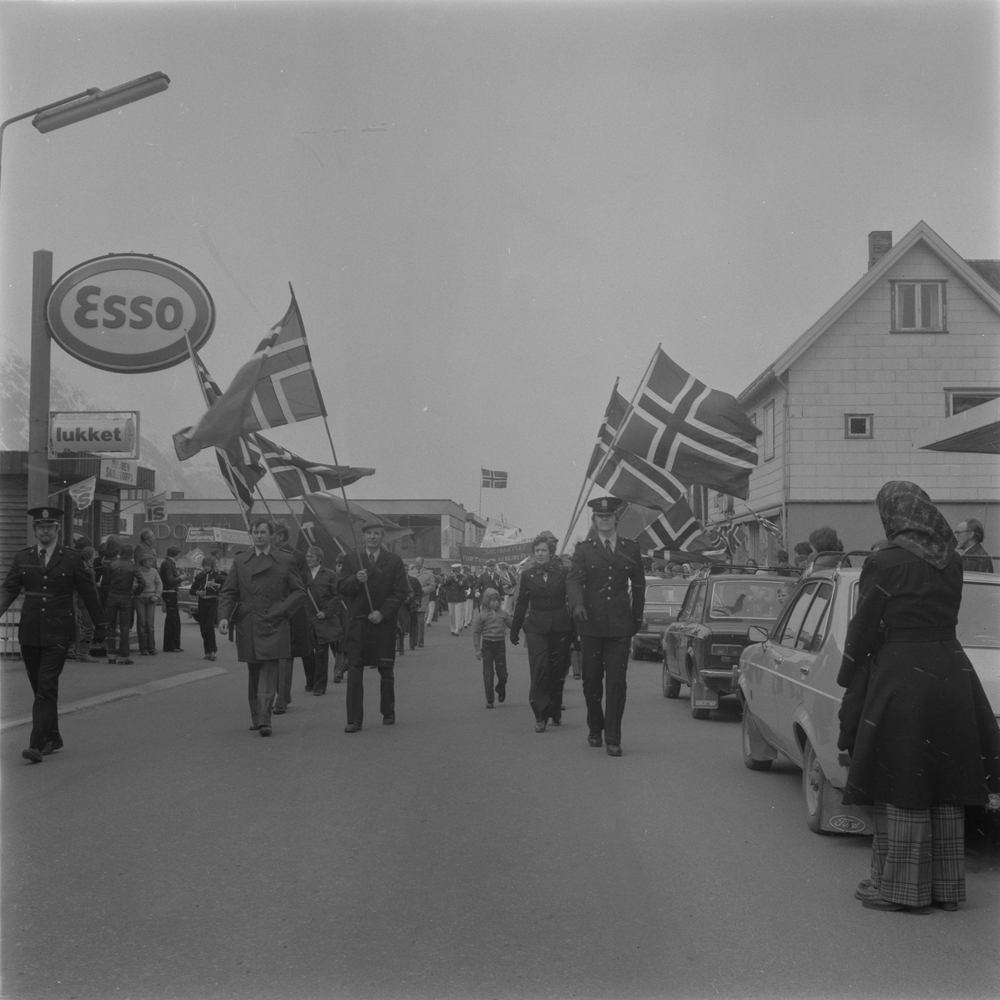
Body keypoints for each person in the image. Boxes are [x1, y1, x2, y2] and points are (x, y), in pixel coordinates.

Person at [837, 481, 1000, 913]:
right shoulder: (952, 561)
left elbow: (864, 626)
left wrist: (849, 672)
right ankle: (946, 889)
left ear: (892, 514)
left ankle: (899, 890)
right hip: (950, 669)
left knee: (902, 774)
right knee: (943, 777)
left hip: (902, 671)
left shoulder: (884, 561)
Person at [0, 507, 106, 763]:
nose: (45, 531)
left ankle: (36, 745)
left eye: (50, 527)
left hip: (59, 632)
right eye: (40, 527)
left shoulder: (72, 558)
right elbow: (8, 590)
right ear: (35, 530)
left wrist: (102, 625)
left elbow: (89, 593)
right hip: (30, 632)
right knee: (41, 689)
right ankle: (54, 737)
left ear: (57, 530)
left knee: (46, 686)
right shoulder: (23, 557)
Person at [567, 496, 645, 757]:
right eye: (600, 517)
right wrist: (577, 605)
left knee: (616, 684)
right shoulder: (584, 550)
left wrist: (636, 618)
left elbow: (640, 587)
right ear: (594, 520)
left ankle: (613, 737)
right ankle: (594, 726)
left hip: (620, 626)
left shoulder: (631, 549)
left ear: (615, 519)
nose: (604, 520)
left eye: (609, 516)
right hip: (591, 625)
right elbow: (574, 581)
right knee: (591, 682)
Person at [218, 519, 305, 737]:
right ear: (251, 535)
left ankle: (265, 719)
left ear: (272, 535)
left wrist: (280, 610)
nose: (259, 536)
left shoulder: (285, 559)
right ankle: (256, 717)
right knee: (254, 671)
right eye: (255, 532)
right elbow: (228, 592)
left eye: (263, 532)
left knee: (269, 669)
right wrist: (223, 617)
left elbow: (298, 592)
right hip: (248, 623)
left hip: (274, 622)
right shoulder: (241, 561)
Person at [337, 519, 409, 732]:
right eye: (369, 533)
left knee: (386, 671)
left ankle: (388, 711)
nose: (373, 537)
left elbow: (401, 592)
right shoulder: (352, 559)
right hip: (358, 624)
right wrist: (355, 580)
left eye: (377, 533)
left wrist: (382, 612)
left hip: (382, 624)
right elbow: (341, 587)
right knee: (355, 671)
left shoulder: (394, 560)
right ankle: (354, 719)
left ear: (382, 537)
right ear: (363, 537)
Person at [510, 534, 572, 733]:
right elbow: (521, 604)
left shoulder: (563, 572)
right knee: (539, 669)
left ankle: (555, 708)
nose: (540, 554)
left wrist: (577, 631)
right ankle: (540, 715)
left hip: (560, 627)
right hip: (536, 628)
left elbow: (572, 599)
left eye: (543, 550)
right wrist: (515, 629)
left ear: (551, 552)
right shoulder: (528, 575)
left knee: (557, 670)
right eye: (537, 551)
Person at [271, 522, 310, 714]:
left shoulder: (297, 557)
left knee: (285, 657)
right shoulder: (263, 555)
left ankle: (282, 699)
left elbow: (302, 587)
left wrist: (283, 606)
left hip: (289, 614)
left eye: (268, 533)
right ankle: (281, 694)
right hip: (267, 613)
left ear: (278, 536)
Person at [301, 546, 341, 695]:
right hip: (306, 619)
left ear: (319, 558)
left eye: (311, 556)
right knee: (306, 653)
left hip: (322, 620)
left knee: (321, 654)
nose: (308, 559)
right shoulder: (302, 575)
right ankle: (310, 681)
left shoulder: (330, 575)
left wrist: (326, 612)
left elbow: (337, 596)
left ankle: (320, 685)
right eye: (307, 556)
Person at [105, 543, 145, 664]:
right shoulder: (133, 566)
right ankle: (123, 656)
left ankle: (111, 655)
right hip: (126, 597)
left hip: (112, 596)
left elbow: (105, 583)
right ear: (131, 554)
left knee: (111, 626)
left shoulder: (112, 564)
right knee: (124, 627)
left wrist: (109, 592)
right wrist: (135, 593)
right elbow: (142, 583)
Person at [473, 588, 512, 708]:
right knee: (488, 673)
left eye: (498, 600)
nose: (496, 603)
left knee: (502, 673)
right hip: (487, 645)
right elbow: (476, 633)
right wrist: (478, 649)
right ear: (486, 601)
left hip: (500, 645)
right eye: (493, 600)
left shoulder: (503, 614)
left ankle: (501, 687)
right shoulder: (482, 616)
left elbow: (512, 625)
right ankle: (489, 699)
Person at [190, 556, 226, 661]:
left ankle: (213, 651)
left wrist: (217, 585)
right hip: (202, 602)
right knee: (203, 627)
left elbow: (226, 586)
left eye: (208, 566)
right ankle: (207, 651)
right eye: (204, 565)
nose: (206, 568)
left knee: (210, 626)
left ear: (212, 566)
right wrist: (198, 592)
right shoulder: (199, 576)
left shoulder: (217, 575)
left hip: (212, 602)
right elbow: (192, 589)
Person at [135, 553, 163, 656]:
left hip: (152, 599)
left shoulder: (154, 571)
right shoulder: (137, 571)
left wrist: (157, 595)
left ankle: (151, 647)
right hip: (140, 598)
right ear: (143, 561)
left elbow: (159, 583)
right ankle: (143, 648)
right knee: (141, 623)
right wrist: (136, 592)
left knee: (150, 625)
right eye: (149, 561)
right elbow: (134, 582)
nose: (151, 563)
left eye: (152, 561)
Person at [159, 546, 184, 652]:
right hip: (170, 592)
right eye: (179, 554)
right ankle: (171, 645)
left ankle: (172, 645)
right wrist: (181, 578)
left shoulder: (167, 563)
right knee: (173, 619)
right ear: (175, 554)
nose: (180, 556)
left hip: (169, 592)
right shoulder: (168, 564)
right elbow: (170, 580)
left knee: (173, 619)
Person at [411, 557, 436, 646]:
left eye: (419, 562)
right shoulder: (410, 573)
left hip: (422, 599)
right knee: (412, 623)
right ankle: (412, 641)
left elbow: (432, 586)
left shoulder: (428, 573)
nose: (417, 564)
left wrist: (422, 590)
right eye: (416, 562)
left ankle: (420, 641)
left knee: (420, 622)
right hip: (412, 600)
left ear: (422, 563)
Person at [443, 563, 467, 636]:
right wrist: (447, 579)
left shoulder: (463, 577)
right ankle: (452, 629)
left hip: (459, 598)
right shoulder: (448, 576)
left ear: (459, 570)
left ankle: (457, 630)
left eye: (456, 570)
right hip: (451, 597)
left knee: (458, 614)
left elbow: (465, 586)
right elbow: (443, 584)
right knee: (451, 615)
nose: (455, 571)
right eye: (454, 570)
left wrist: (456, 579)